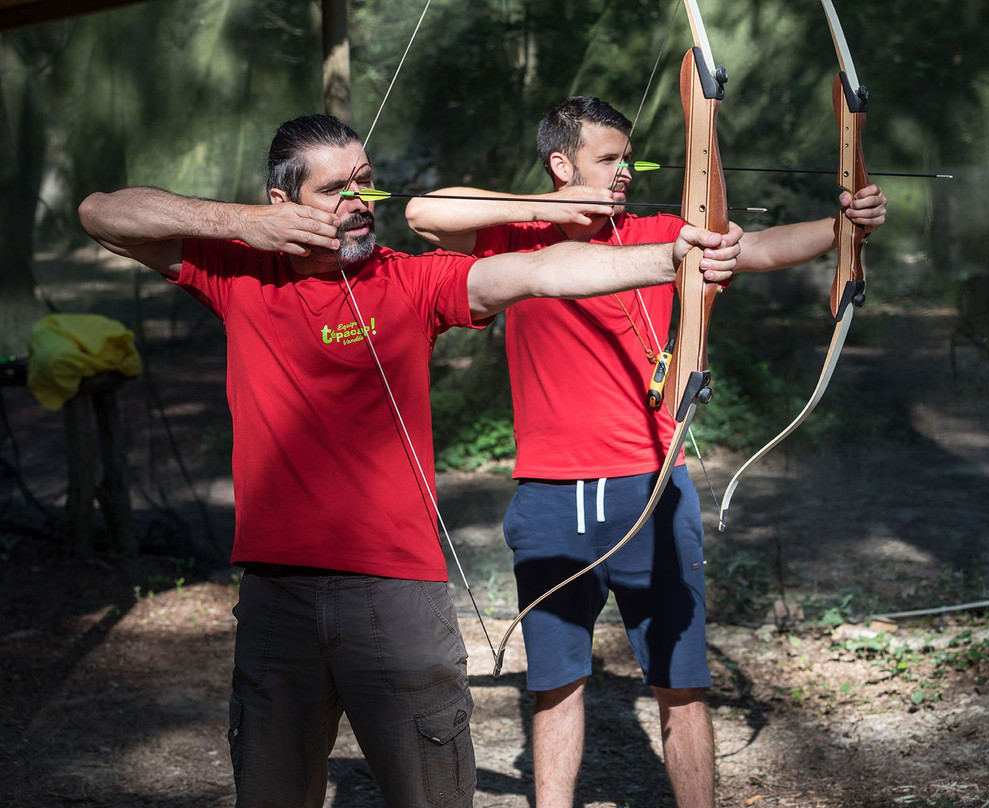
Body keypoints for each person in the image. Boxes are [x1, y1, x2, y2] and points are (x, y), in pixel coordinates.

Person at [76, 113, 737, 808]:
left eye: (365, 182)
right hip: (277, 593)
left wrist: (672, 259)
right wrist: (243, 224)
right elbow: (101, 214)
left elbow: (541, 270)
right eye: (336, 189)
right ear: (282, 203)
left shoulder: (410, 280)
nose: (360, 200)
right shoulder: (240, 274)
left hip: (395, 596)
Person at [405, 96, 888, 808]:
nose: (625, 171)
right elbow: (422, 212)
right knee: (555, 684)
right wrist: (551, 208)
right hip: (550, 494)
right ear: (561, 163)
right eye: (608, 159)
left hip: (652, 486)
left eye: (628, 159)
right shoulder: (515, 236)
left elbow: (754, 248)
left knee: (681, 685)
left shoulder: (660, 234)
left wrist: (844, 227)